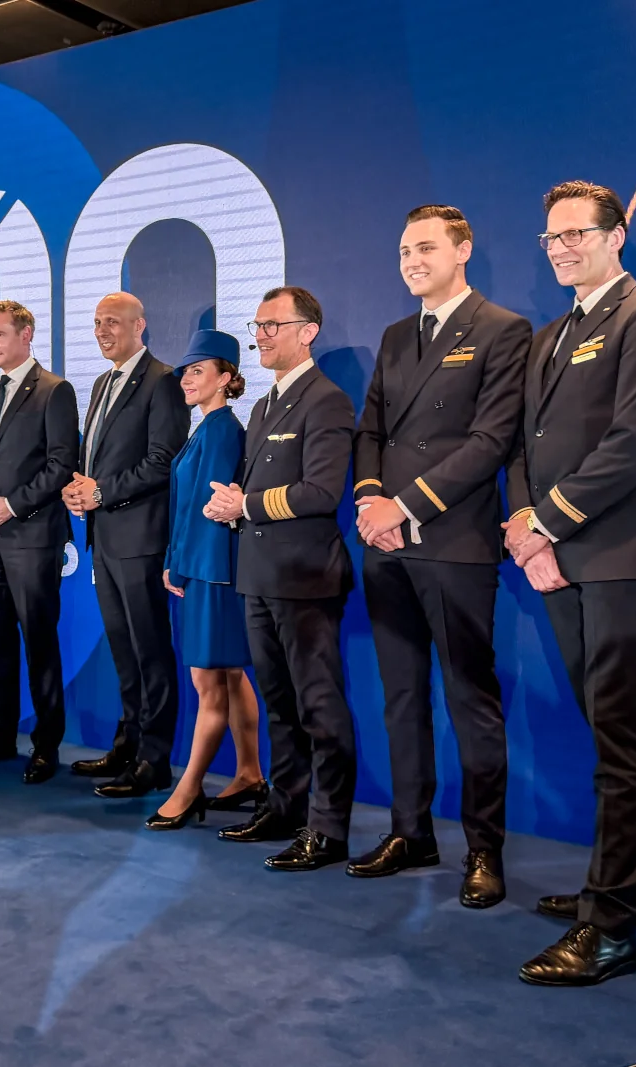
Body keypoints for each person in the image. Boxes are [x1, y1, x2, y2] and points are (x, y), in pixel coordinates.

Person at [506, 181, 636, 986]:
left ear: (618, 235)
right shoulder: (552, 335)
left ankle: (609, 925)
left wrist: (546, 521)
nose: (561, 248)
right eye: (550, 237)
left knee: (618, 736)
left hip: (618, 552)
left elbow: (635, 440)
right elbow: (523, 446)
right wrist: (526, 530)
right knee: (613, 733)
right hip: (558, 559)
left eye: (577, 233)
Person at [346, 205, 530, 909]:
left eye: (424, 247)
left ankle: (485, 849)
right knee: (400, 697)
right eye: (402, 250)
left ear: (463, 249)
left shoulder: (502, 329)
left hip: (453, 543)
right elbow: (371, 432)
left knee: (469, 700)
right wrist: (369, 501)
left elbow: (490, 442)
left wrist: (406, 505)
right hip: (385, 544)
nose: (411, 260)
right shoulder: (396, 336)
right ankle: (410, 830)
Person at [203, 286, 358, 872]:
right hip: (259, 577)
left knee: (319, 706)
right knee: (277, 704)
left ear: (307, 331)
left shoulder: (327, 401)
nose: (261, 336)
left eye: (273, 325)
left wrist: (244, 506)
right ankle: (286, 806)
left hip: (305, 578)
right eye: (258, 325)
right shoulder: (264, 406)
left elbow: (321, 493)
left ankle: (328, 827)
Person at [63, 292, 188, 798]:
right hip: (105, 537)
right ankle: (127, 744)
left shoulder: (163, 381)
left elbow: (164, 460)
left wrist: (101, 491)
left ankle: (154, 760)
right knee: (124, 652)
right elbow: (98, 460)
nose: (101, 331)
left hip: (141, 539)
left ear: (141, 326)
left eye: (111, 322)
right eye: (96, 323)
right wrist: (80, 488)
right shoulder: (101, 382)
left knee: (151, 652)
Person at [0, 299, 79, 784]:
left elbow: (61, 465)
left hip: (33, 536)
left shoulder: (55, 390)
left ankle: (46, 744)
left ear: (26, 335)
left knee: (40, 642)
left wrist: (10, 505)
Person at [147, 330, 264, 831]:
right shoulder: (208, 428)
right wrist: (177, 559)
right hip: (203, 567)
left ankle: (190, 787)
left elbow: (213, 511)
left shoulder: (219, 431)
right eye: (185, 372)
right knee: (231, 675)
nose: (187, 380)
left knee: (209, 682)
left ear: (227, 378)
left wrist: (181, 564)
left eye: (198, 371)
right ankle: (250, 773)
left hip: (212, 572)